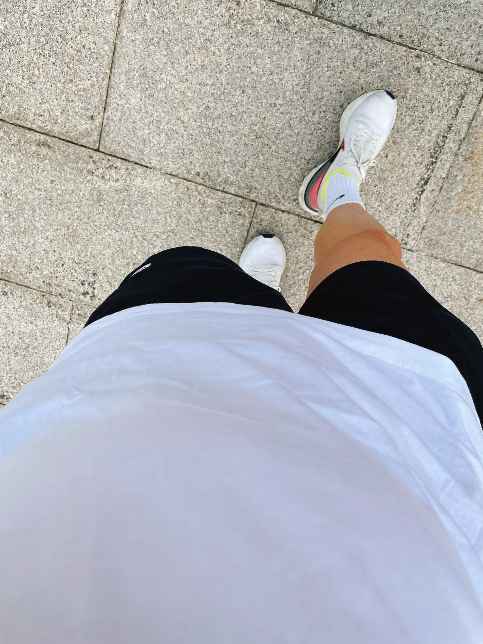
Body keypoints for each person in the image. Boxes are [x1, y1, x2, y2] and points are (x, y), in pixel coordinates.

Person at [1, 90, 482, 643]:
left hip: (132, 412)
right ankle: (337, 190)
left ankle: (262, 295)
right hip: (410, 452)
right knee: (371, 258)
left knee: (199, 274)